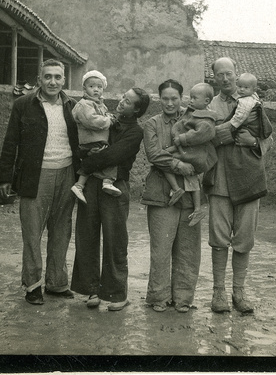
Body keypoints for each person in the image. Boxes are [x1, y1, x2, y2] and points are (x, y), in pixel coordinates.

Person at [0, 59, 80, 306]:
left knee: (61, 231)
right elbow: (11, 141)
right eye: (47, 77)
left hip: (67, 174)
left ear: (64, 80)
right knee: (32, 233)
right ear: (39, 80)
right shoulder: (23, 105)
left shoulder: (72, 106)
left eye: (57, 77)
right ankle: (33, 285)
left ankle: (56, 283)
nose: (52, 82)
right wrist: (4, 177)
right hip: (35, 176)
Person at [70, 87, 150, 311]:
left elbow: (113, 154)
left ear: (136, 110)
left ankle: (117, 294)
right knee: (87, 236)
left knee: (115, 241)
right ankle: (91, 290)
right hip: (92, 184)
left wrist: (86, 163)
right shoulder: (106, 118)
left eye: (128, 101)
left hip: (114, 186)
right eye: (123, 97)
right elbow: (83, 143)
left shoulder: (135, 132)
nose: (122, 102)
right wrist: (88, 155)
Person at [203, 57, 273, 314]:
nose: (225, 78)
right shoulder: (209, 106)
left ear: (236, 74)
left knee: (244, 239)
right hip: (220, 180)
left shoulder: (254, 103)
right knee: (219, 239)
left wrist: (252, 143)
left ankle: (239, 291)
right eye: (219, 74)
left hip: (248, 180)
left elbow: (268, 140)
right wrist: (228, 135)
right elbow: (207, 137)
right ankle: (218, 292)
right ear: (214, 78)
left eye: (228, 73)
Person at [140, 79, 202, 313]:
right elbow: (154, 155)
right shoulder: (151, 124)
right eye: (165, 98)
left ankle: (184, 298)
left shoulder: (191, 121)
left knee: (188, 248)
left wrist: (189, 163)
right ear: (159, 99)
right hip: (159, 192)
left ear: (181, 99)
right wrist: (178, 164)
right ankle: (159, 297)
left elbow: (201, 148)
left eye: (174, 98)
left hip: (190, 191)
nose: (169, 103)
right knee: (161, 248)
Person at [163, 82, 217, 226]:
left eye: (195, 98)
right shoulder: (194, 112)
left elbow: (202, 133)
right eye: (190, 97)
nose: (191, 100)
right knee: (189, 175)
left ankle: (176, 190)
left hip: (195, 153)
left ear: (206, 101)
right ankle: (197, 208)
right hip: (188, 149)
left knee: (166, 160)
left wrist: (182, 138)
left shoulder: (206, 119)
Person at [70, 70, 120, 203]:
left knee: (92, 163)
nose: (96, 90)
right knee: (110, 158)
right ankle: (107, 181)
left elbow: (102, 116)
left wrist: (108, 116)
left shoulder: (99, 104)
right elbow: (92, 120)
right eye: (91, 86)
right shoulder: (84, 104)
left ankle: (79, 185)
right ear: (84, 88)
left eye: (99, 87)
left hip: (96, 140)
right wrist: (108, 121)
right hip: (91, 140)